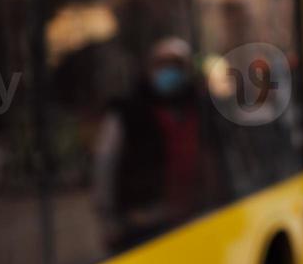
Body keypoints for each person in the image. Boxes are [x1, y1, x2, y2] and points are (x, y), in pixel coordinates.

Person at [93, 38, 223, 251]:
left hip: (196, 218)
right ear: (149, 68)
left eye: (176, 66)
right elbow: (105, 164)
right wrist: (109, 219)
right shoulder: (127, 113)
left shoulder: (201, 109)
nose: (168, 72)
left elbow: (214, 159)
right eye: (162, 65)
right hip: (145, 225)